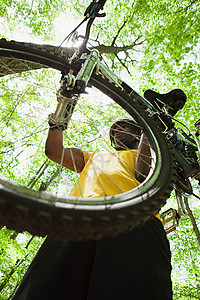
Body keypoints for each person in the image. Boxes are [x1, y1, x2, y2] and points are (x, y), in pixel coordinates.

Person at [12, 85, 172, 300]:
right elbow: (54, 151)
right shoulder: (92, 156)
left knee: (133, 288)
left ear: (137, 131)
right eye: (113, 132)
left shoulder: (155, 155)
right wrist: (62, 111)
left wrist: (150, 127)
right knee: (46, 288)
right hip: (78, 218)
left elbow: (145, 176)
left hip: (137, 221)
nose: (116, 133)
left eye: (123, 127)